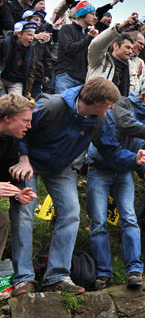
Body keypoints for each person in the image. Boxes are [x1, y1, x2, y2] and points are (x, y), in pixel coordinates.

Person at [10, 77, 122, 294]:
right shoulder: (51, 106)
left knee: (71, 213)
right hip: (29, 162)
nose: (111, 109)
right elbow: (18, 124)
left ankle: (57, 276)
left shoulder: (98, 120)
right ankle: (23, 278)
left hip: (60, 167)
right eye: (109, 104)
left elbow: (110, 149)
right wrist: (22, 157)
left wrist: (137, 161)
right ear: (98, 102)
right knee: (24, 213)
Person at [86, 76, 145, 289]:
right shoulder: (121, 105)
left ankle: (134, 270)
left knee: (129, 218)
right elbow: (111, 147)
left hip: (124, 173)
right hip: (100, 168)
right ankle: (103, 273)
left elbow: (143, 150)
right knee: (99, 221)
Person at [0, 95, 38, 266]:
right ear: (7, 118)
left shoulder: (11, 142)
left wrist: (17, 195)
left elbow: (5, 182)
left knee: (1, 223)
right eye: (25, 121)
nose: (29, 126)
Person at [54, 0, 99, 93]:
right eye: (92, 14)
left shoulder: (89, 35)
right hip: (66, 76)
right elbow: (70, 48)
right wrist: (89, 38)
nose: (95, 18)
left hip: (81, 80)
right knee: (63, 106)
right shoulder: (66, 29)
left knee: (77, 108)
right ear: (83, 14)